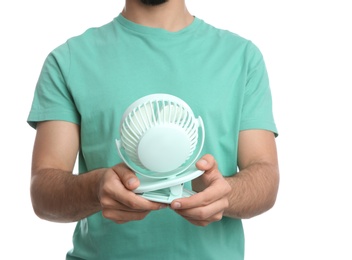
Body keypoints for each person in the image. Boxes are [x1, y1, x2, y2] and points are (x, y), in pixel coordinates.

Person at [27, 0, 279, 259]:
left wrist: (226, 193)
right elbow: (44, 192)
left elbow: (265, 175)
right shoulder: (69, 60)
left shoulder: (241, 57)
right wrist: (95, 188)